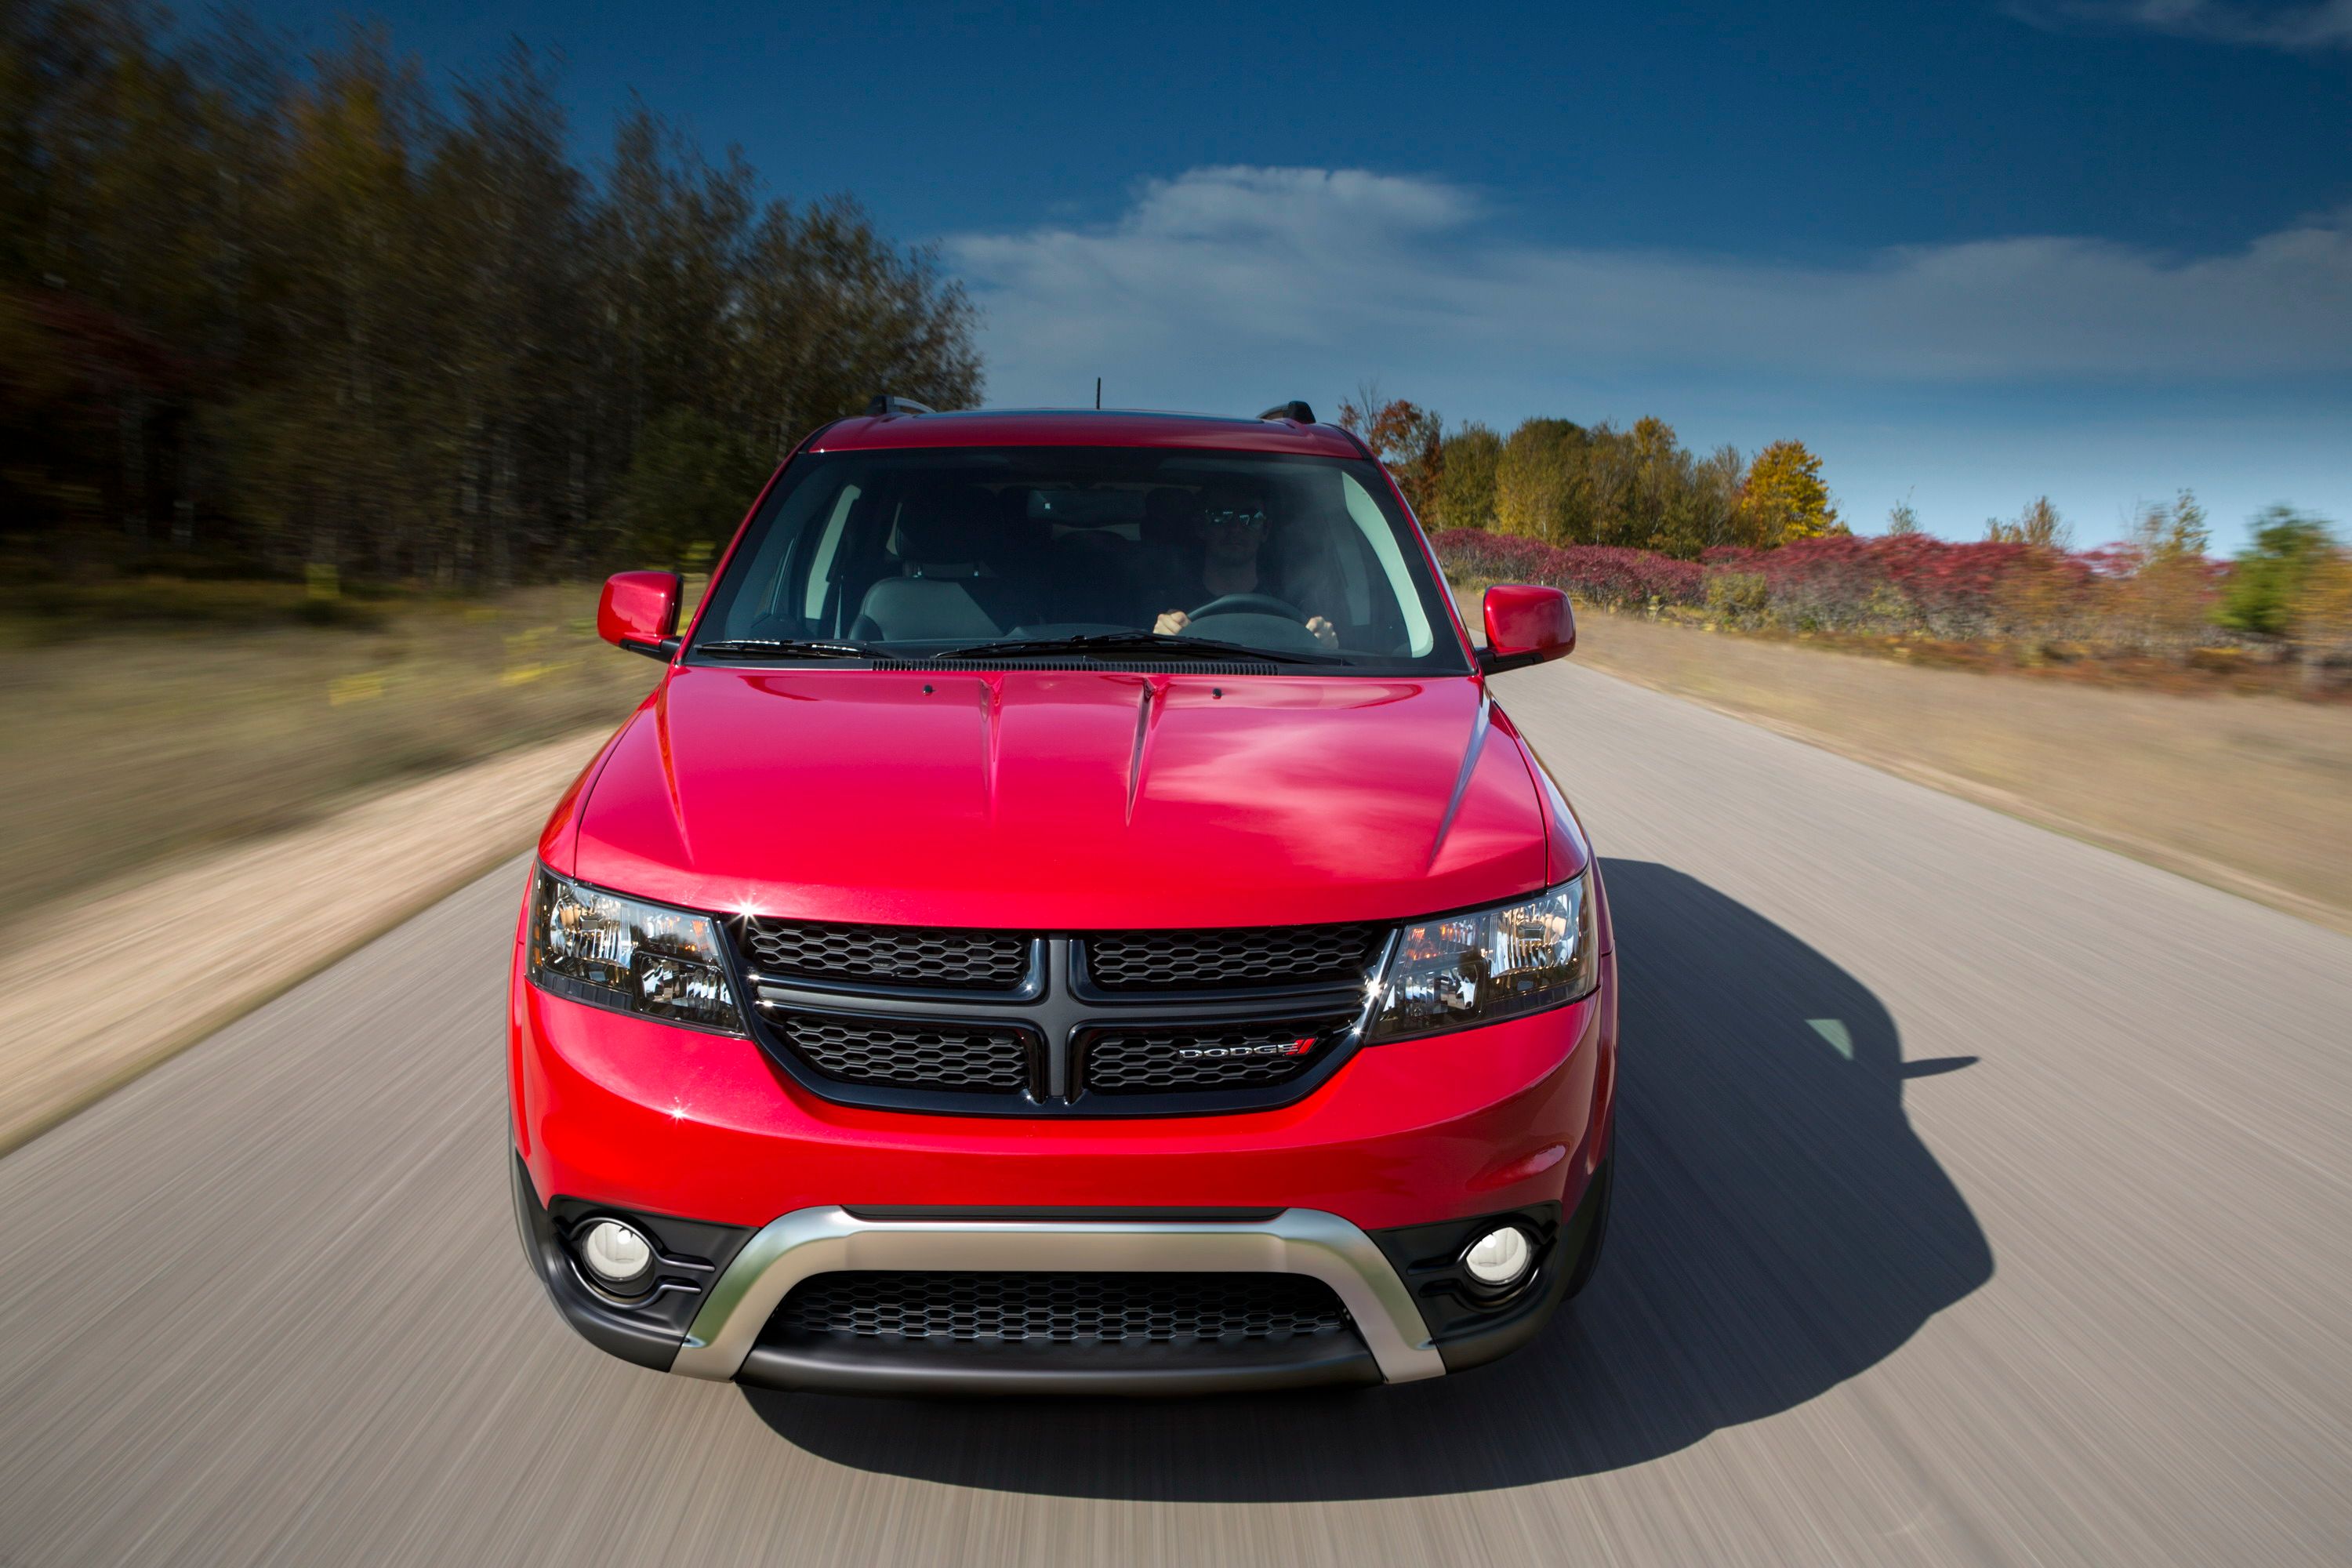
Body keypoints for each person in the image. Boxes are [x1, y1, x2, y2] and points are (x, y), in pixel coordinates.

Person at [1152, 484, 1338, 648]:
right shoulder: (1169, 602)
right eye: (1220, 516)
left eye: (1250, 517)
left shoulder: (1293, 605)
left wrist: (1325, 644)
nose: (1235, 528)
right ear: (1201, 527)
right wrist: (1157, 640)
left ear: (1265, 530)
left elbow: (1314, 667)